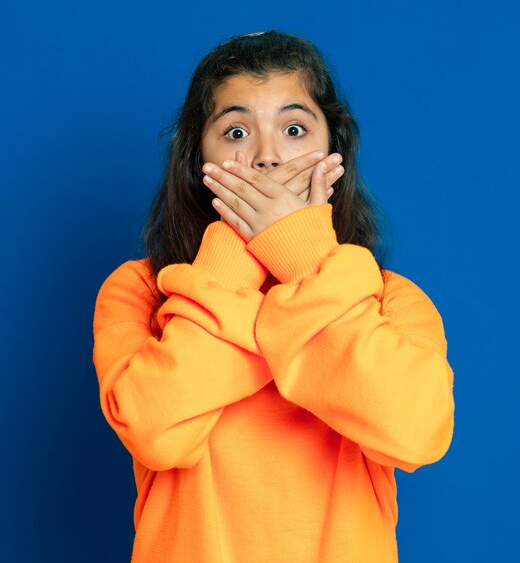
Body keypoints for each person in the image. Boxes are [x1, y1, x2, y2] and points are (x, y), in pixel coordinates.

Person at [92, 30, 455, 563]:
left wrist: (303, 256)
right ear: (197, 158)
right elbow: (155, 433)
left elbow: (418, 432)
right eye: (236, 130)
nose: (266, 157)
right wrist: (237, 252)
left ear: (335, 149)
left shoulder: (386, 299)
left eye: (293, 128)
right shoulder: (140, 291)